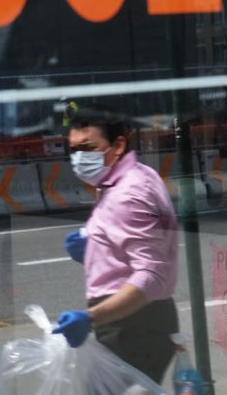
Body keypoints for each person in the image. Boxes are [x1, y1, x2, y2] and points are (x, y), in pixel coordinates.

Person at [51, 102, 180, 384]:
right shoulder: (130, 178)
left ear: (118, 144)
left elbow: (152, 275)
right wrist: (95, 250)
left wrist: (91, 317)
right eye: (73, 150)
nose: (79, 158)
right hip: (137, 322)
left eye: (88, 147)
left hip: (132, 326)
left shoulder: (128, 195)